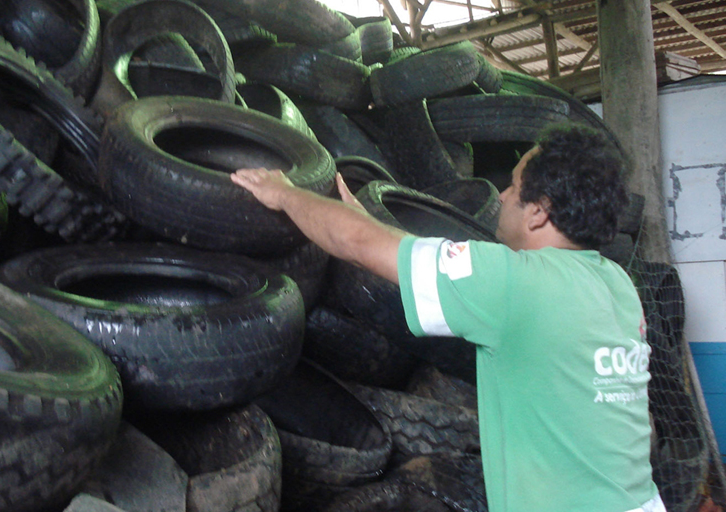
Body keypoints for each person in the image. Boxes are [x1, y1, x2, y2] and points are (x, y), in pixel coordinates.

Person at [231, 123, 664, 512]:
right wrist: (376, 232)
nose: (501, 197)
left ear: (540, 211)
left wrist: (285, 194)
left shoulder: (517, 283)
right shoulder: (618, 287)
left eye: (514, 188)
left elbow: (358, 243)